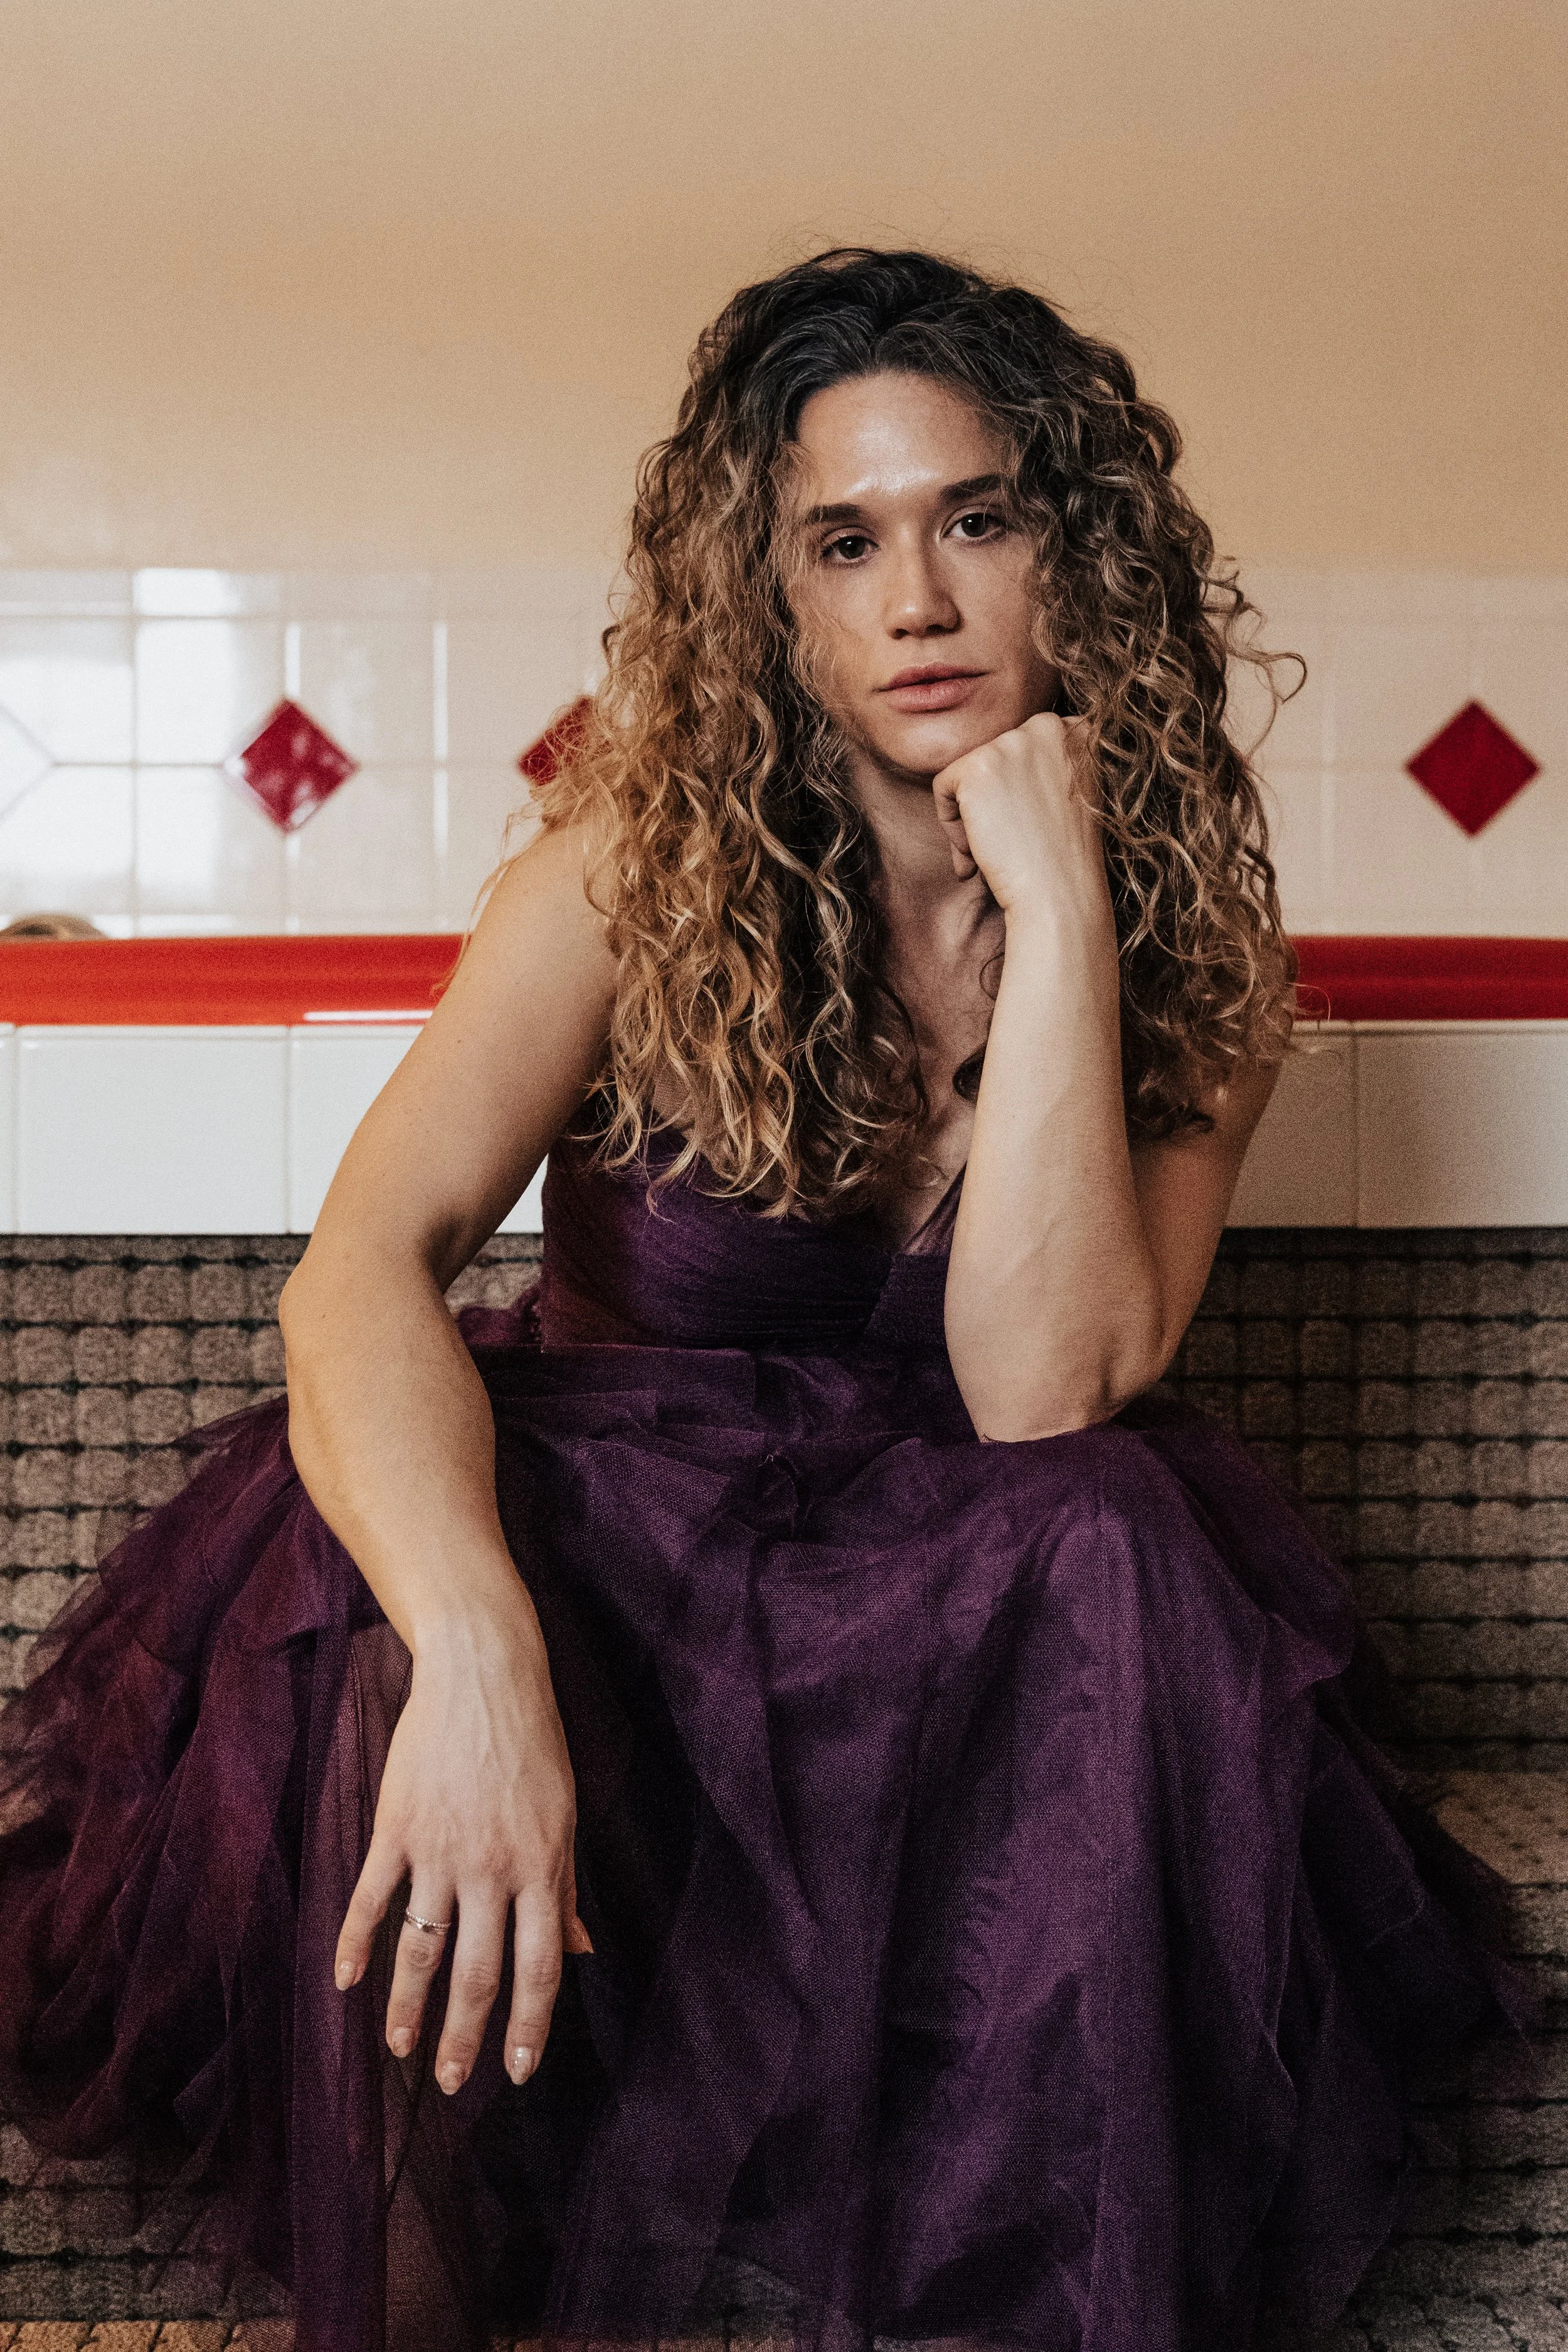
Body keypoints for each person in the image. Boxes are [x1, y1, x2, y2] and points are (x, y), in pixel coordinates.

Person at [0, 248, 1533, 2352]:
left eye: (977, 520)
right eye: (844, 540)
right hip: (610, 1590)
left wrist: (1063, 900)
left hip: (973, 1650)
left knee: (1102, 1535)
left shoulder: (1191, 961)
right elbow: (360, 1265)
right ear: (773, 597)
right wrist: (478, 1653)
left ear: (1075, 556)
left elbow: (1042, 1388)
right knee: (362, 1654)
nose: (916, 601)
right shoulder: (624, 882)